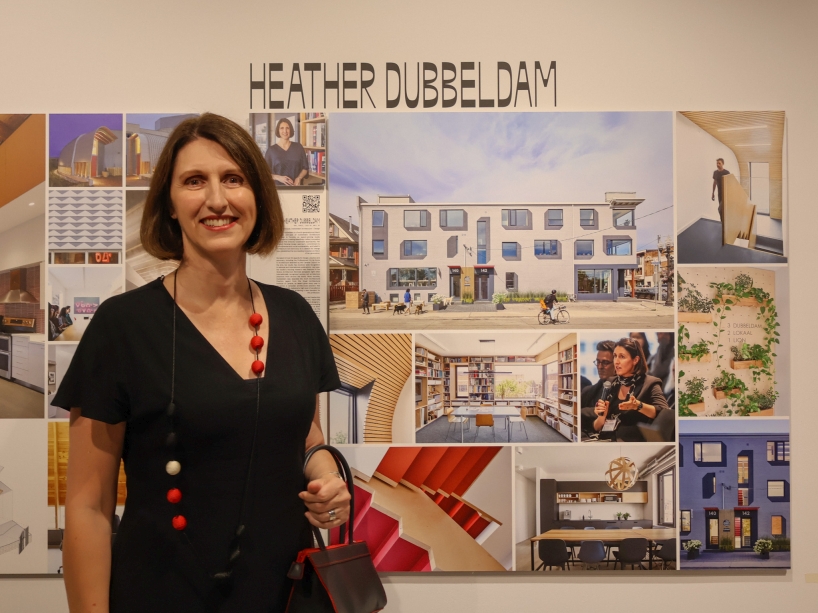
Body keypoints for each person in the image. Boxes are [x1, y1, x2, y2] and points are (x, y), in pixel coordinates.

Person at [54, 113, 350, 613]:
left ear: (257, 196)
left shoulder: (295, 315)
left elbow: (307, 436)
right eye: (195, 181)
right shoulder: (122, 325)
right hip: (162, 593)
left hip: (287, 593)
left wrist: (327, 479)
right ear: (169, 203)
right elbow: (88, 506)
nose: (217, 200)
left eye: (233, 179)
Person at [591, 337, 669, 442]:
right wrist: (601, 416)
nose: (616, 361)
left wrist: (638, 406)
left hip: (631, 442)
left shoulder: (649, 383)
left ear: (635, 360)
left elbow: (664, 413)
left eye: (622, 357)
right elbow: (597, 427)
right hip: (605, 440)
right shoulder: (612, 383)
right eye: (615, 356)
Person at [580, 340, 616, 430]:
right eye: (598, 362)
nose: (599, 367)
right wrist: (593, 411)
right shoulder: (588, 391)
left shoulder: (625, 390)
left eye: (605, 362)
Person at [265, 117, 309, 187]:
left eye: (287, 128)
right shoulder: (271, 150)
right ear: (278, 130)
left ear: (290, 130)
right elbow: (264, 173)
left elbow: (305, 168)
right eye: (282, 128)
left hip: (296, 187)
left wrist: (299, 178)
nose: (285, 131)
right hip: (278, 189)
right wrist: (278, 177)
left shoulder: (298, 147)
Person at [711, 157, 731, 224]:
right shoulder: (715, 173)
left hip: (726, 194)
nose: (718, 164)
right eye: (717, 163)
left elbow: (730, 183)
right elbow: (715, 182)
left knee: (721, 209)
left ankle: (725, 223)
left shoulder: (727, 172)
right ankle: (723, 223)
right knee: (722, 210)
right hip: (719, 194)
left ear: (723, 164)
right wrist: (713, 193)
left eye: (719, 163)